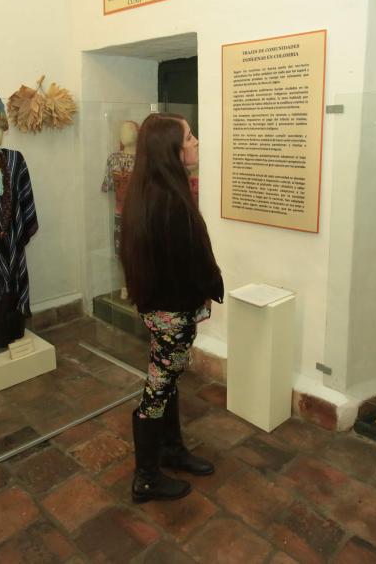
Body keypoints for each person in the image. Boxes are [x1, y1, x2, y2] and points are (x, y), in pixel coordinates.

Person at [119, 113, 224, 502]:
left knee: (167, 379)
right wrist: (210, 282)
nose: (196, 142)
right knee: (158, 388)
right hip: (170, 311)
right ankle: (146, 477)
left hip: (163, 309)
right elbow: (186, 262)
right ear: (172, 150)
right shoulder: (166, 199)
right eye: (190, 137)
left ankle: (170, 450)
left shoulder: (155, 190)